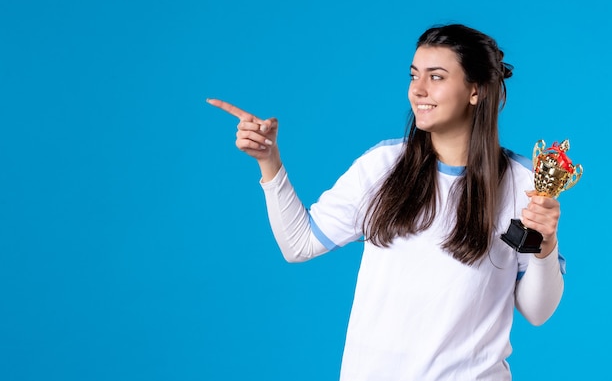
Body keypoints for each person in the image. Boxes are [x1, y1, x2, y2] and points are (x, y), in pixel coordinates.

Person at [208, 23, 565, 380]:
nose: (418, 90)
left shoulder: (523, 184)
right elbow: (298, 245)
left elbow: (537, 312)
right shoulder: (383, 166)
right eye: (414, 75)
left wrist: (546, 246)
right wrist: (269, 161)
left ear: (475, 90)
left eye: (436, 77)